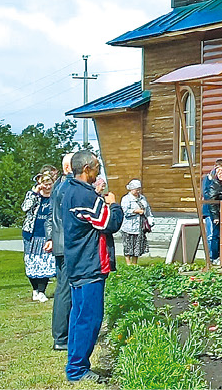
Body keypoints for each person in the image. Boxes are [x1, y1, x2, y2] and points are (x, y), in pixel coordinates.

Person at [59, 150, 124, 383]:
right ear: (86, 168)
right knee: (89, 318)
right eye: (97, 166)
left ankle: (75, 364)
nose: (99, 170)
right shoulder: (85, 196)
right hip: (89, 264)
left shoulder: (69, 190)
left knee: (78, 317)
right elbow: (108, 223)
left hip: (77, 263)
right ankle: (77, 369)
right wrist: (114, 204)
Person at [48, 152, 74, 350]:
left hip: (60, 242)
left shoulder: (59, 185)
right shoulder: (67, 186)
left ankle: (63, 334)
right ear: (67, 168)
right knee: (65, 290)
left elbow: (51, 215)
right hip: (66, 244)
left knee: (63, 288)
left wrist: (51, 237)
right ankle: (61, 337)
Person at [21, 170, 57, 301]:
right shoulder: (33, 195)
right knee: (31, 262)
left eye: (50, 184)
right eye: (45, 184)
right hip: (32, 233)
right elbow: (25, 208)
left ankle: (42, 291)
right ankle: (35, 289)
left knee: (45, 263)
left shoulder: (55, 196)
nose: (47, 187)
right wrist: (34, 193)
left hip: (46, 235)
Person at [200, 160, 222, 262]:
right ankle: (211, 257)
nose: (221, 172)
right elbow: (207, 195)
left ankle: (218, 255)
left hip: (221, 210)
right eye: (219, 169)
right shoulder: (209, 178)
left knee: (219, 234)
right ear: (215, 167)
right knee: (211, 234)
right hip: (209, 210)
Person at [117, 180, 152, 266]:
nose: (138, 191)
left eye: (139, 189)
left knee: (137, 245)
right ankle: (128, 264)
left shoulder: (142, 198)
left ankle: (135, 263)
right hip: (129, 226)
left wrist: (150, 219)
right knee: (128, 245)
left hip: (139, 226)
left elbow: (147, 209)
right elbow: (124, 211)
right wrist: (136, 211)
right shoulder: (126, 199)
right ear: (131, 189)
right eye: (136, 189)